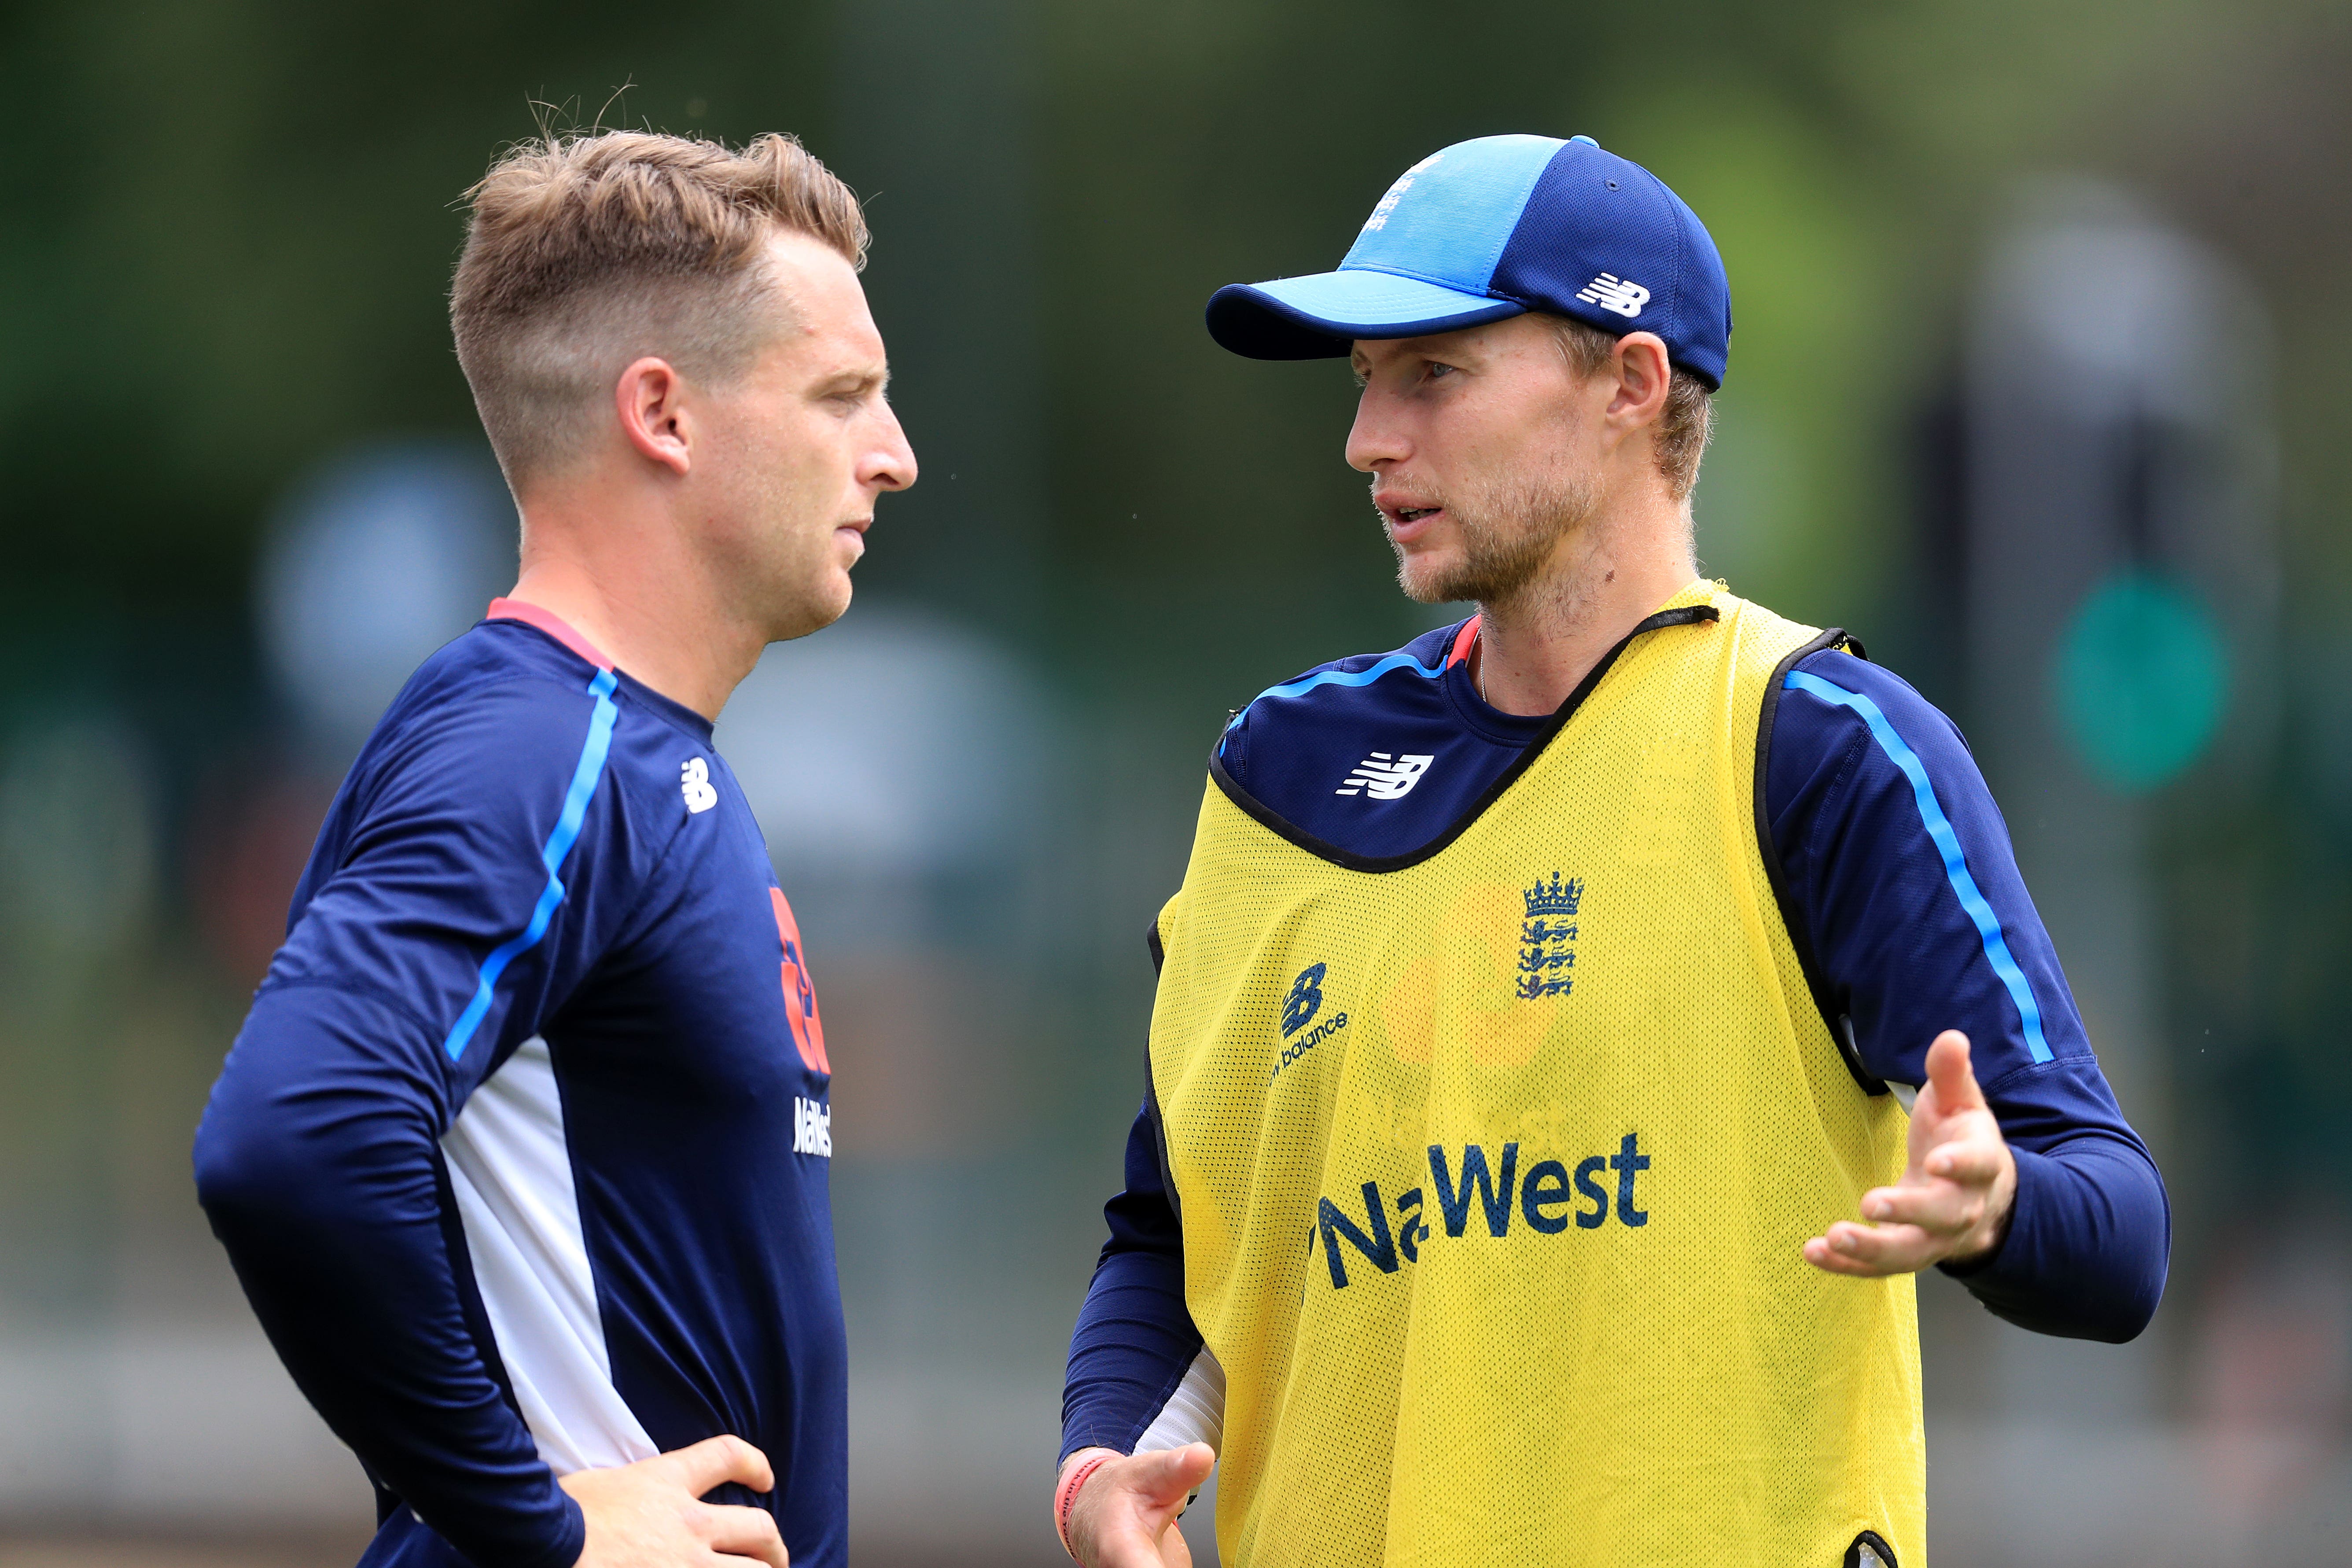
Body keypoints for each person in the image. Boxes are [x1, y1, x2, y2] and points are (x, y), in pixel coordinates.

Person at [1053, 134, 2169, 1568]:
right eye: (1363, 383)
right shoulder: (1281, 777)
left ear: (1631, 386)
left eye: (1434, 373)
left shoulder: (1814, 746)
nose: (1369, 439)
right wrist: (1103, 1461)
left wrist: (1998, 1201)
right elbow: (1174, 1238)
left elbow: (2119, 1228)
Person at [193, 129, 915, 1568]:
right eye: (842, 397)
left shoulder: (639, 760)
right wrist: (538, 1528)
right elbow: (291, 1138)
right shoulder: (540, 749)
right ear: (664, 414)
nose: (893, 456)